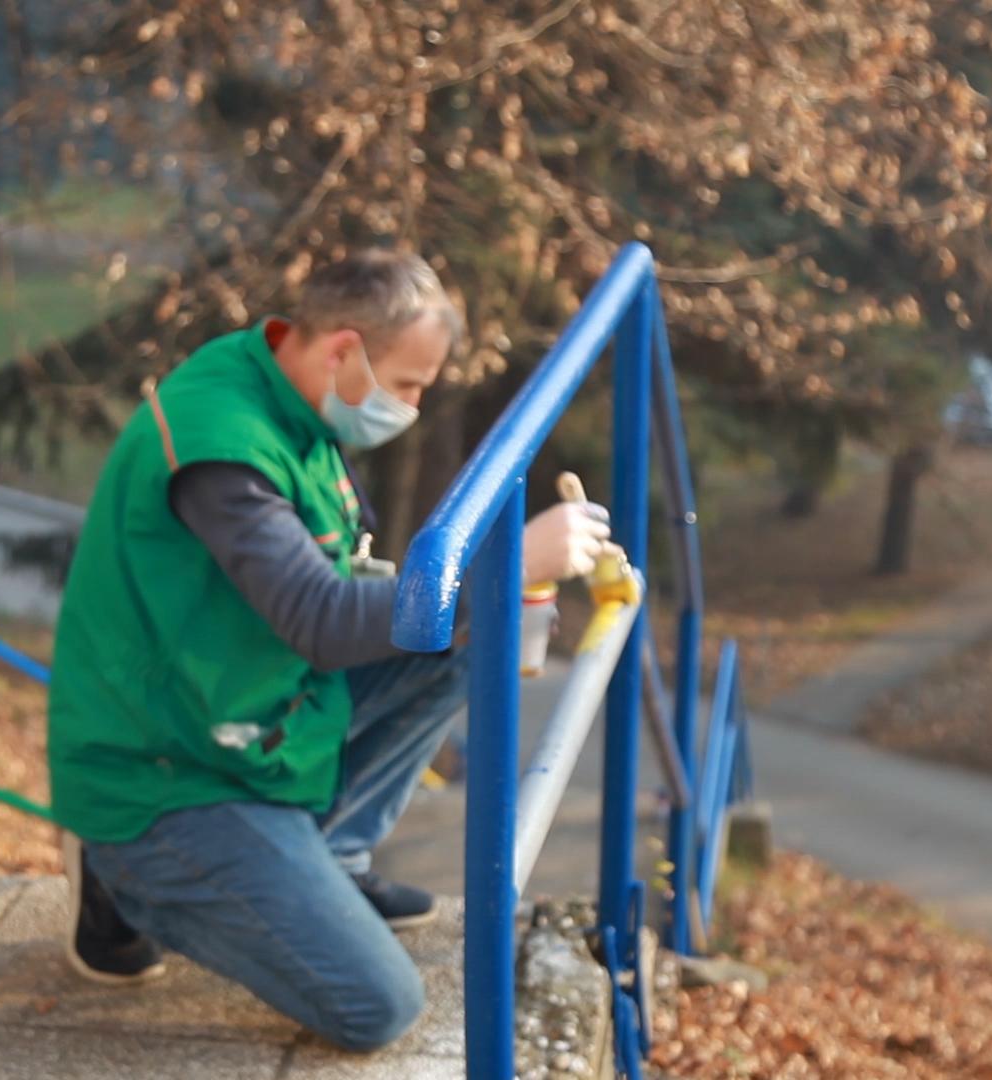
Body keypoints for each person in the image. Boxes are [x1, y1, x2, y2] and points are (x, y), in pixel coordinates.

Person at [48, 250, 614, 1053]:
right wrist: (509, 566)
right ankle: (121, 882)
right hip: (164, 770)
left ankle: (333, 856)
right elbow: (317, 616)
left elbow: (340, 579)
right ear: (343, 349)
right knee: (375, 1004)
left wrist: (487, 596)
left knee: (456, 635)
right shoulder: (225, 444)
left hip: (237, 715)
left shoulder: (287, 395)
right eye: (408, 383)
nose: (413, 407)